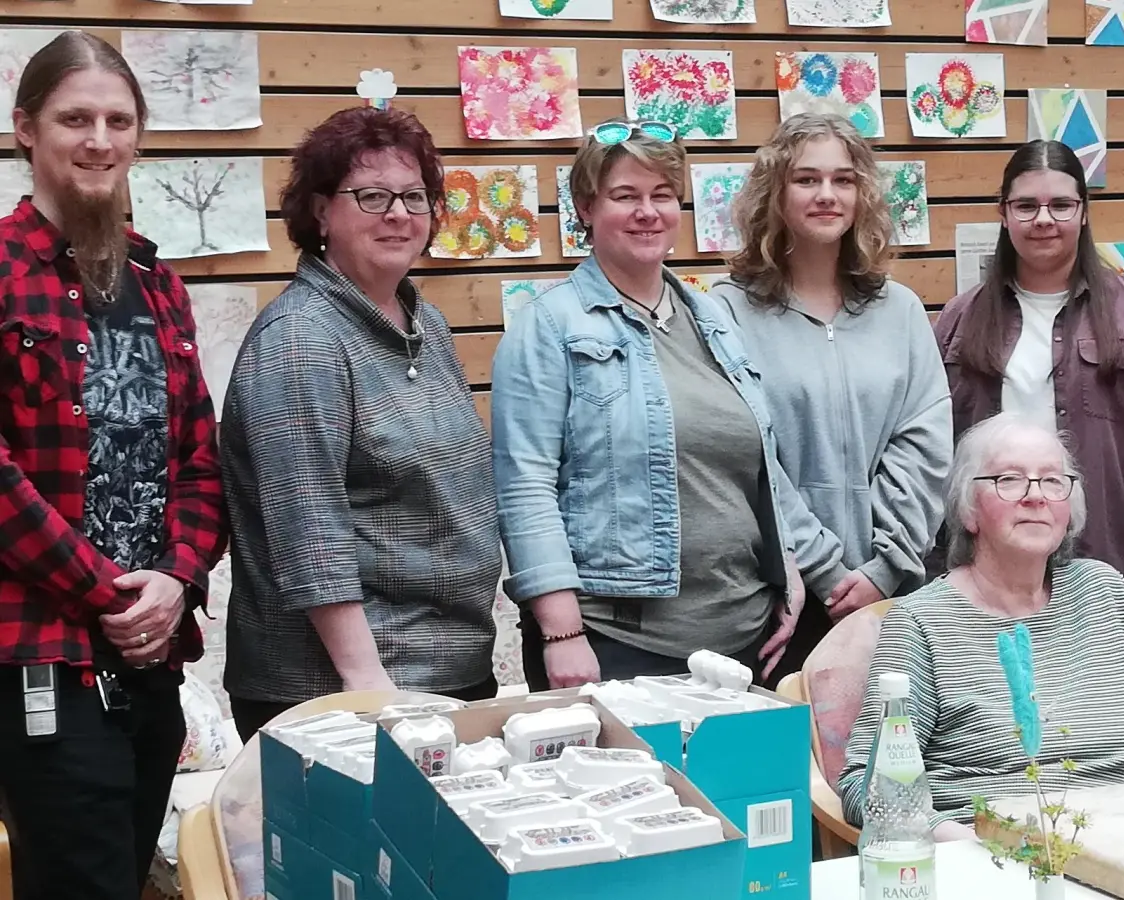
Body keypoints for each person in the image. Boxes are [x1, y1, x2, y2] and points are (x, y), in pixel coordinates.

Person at [0, 32, 228, 900]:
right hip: (43, 656)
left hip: (154, 654)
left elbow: (199, 463)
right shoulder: (1, 270)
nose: (99, 139)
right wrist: (107, 591)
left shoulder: (156, 283)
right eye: (75, 118)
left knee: (127, 879)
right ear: (26, 128)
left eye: (118, 120)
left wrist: (176, 576)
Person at [220, 107, 501, 743]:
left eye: (414, 196)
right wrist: (369, 686)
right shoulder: (301, 338)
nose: (398, 214)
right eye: (371, 196)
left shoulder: (424, 324)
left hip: (444, 667)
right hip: (340, 693)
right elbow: (306, 528)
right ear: (321, 212)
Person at [493, 118, 803, 691]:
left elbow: (763, 466)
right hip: (618, 644)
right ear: (586, 208)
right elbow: (525, 485)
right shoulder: (548, 326)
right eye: (625, 195)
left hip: (746, 636)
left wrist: (793, 579)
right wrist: (561, 634)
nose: (647, 211)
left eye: (663, 195)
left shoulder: (713, 319)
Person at [837, 413, 1124, 837]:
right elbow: (866, 785)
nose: (1035, 497)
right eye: (1009, 479)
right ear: (969, 511)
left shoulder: (1103, 591)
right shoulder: (922, 622)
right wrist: (965, 841)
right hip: (999, 859)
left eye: (1052, 480)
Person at [711, 113, 952, 682]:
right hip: (779, 596)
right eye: (806, 179)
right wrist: (822, 565)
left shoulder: (901, 310)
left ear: (862, 195)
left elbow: (925, 443)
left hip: (891, 593)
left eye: (843, 180)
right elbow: (750, 451)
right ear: (775, 193)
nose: (827, 195)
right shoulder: (726, 312)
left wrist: (885, 566)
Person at [935, 140, 1124, 616]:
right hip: (982, 578)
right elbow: (934, 457)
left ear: (1083, 211)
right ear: (1003, 213)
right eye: (1026, 205)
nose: (1043, 219)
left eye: (1060, 205)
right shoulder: (960, 322)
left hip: (1110, 577)